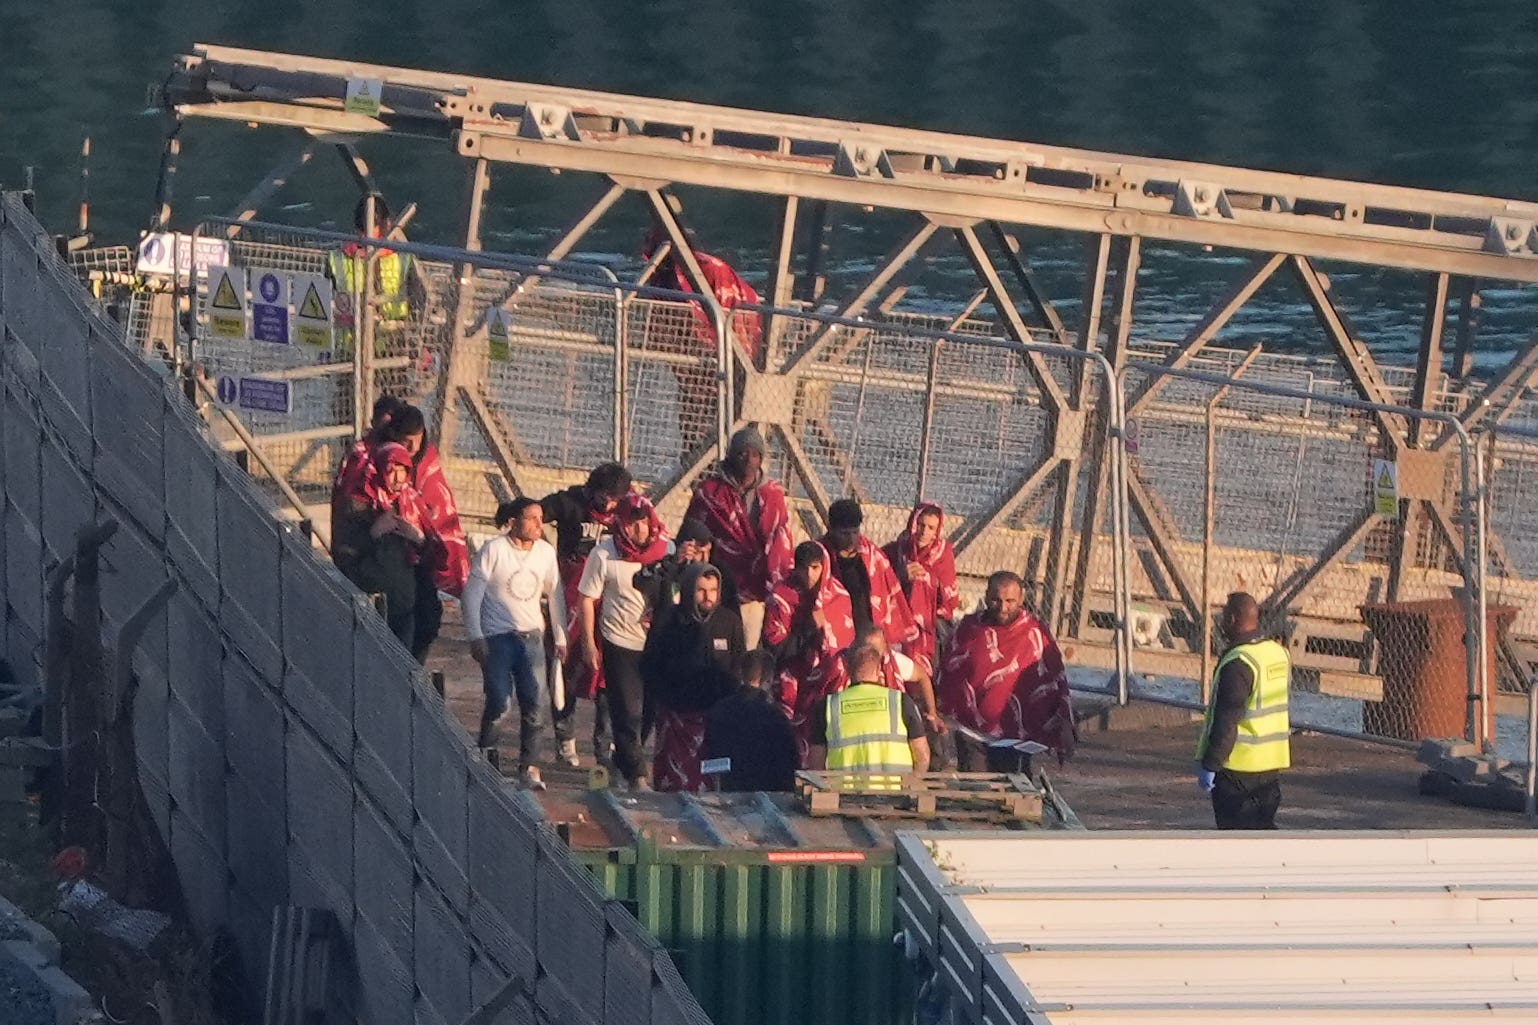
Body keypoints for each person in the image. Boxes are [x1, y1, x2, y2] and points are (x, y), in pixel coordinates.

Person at [462, 498, 567, 791]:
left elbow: (555, 594)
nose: (538, 525)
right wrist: (475, 636)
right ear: (514, 520)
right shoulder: (494, 550)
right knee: (500, 700)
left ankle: (529, 767)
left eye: (540, 519)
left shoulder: (545, 553)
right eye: (531, 518)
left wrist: (560, 637)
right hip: (498, 637)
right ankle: (485, 754)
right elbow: (471, 595)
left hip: (531, 635)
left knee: (535, 702)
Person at [578, 492, 673, 791]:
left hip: (655, 644)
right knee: (626, 709)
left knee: (649, 713)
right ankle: (638, 776)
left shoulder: (666, 550)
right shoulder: (604, 554)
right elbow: (587, 599)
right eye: (632, 524)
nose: (639, 530)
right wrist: (588, 644)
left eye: (643, 522)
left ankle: (623, 763)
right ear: (620, 524)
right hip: (618, 641)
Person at [643, 228, 765, 460]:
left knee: (721, 414)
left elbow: (698, 308)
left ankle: (711, 464)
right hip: (706, 350)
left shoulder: (704, 270)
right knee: (692, 412)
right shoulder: (672, 275)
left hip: (732, 349)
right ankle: (693, 462)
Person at [938, 571, 1076, 771]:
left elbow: (1056, 680)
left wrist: (1063, 723)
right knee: (975, 790)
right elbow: (949, 671)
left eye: (1010, 601)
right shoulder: (968, 628)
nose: (1003, 608)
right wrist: (941, 709)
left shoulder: (1034, 633)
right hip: (972, 731)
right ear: (986, 597)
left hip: (1017, 734)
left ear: (1021, 599)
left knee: (1012, 791)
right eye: (996, 600)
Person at [542, 462, 632, 766]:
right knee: (564, 663)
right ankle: (565, 738)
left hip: (608, 599)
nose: (608, 505)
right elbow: (536, 511)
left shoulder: (627, 514)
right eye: (604, 497)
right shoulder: (571, 503)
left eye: (614, 499)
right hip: (572, 596)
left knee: (606, 671)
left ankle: (603, 747)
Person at [683, 426, 792, 649]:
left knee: (746, 650)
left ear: (761, 459)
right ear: (731, 456)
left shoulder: (773, 494)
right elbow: (691, 533)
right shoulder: (710, 492)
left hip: (755, 589)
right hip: (717, 586)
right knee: (714, 649)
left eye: (754, 454)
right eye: (742, 453)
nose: (748, 460)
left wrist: (776, 587)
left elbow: (780, 542)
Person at [641, 563, 746, 792]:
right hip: (676, 718)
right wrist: (667, 697)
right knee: (672, 787)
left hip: (714, 718)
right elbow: (650, 664)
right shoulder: (670, 621)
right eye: (701, 590)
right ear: (689, 589)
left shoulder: (729, 621)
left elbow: (739, 663)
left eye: (713, 590)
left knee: (712, 785)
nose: (708, 597)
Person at [1195, 592, 1291, 830]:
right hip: (1271, 767)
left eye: (1225, 614)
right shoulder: (1278, 653)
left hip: (1238, 770)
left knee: (1236, 840)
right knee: (1263, 834)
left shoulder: (1239, 662)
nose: (1221, 621)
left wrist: (1211, 764)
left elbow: (1227, 720)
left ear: (1234, 619)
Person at [384, 405, 470, 663]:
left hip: (423, 554)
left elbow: (441, 512)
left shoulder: (428, 465)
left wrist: (423, 536)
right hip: (391, 557)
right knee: (399, 621)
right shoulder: (380, 461)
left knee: (428, 620)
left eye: (415, 441)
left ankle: (412, 672)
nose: (410, 449)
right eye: (405, 442)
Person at [763, 541, 856, 763]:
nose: (810, 574)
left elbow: (846, 645)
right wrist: (808, 627)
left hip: (828, 685)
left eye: (815, 568)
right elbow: (775, 648)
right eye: (804, 568)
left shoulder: (838, 596)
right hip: (792, 686)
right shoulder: (781, 598)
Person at [339, 442, 427, 650]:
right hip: (370, 600)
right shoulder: (359, 501)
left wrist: (418, 538)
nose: (397, 478)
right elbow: (345, 549)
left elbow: (436, 553)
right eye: (391, 471)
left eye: (402, 471)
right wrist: (374, 532)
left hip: (404, 601)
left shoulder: (411, 503)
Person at [808, 643, 930, 790]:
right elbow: (922, 756)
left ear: (847, 668)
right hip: (895, 800)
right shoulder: (900, 702)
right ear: (879, 669)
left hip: (845, 800)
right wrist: (910, 788)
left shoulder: (827, 706)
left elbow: (816, 764)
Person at [822, 498, 919, 653]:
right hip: (834, 637)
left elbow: (887, 587)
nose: (851, 539)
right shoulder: (821, 557)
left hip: (867, 634)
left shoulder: (872, 556)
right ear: (831, 529)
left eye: (855, 532)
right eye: (845, 533)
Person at [700, 651, 800, 792]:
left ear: (740, 673)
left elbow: (709, 757)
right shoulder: (776, 717)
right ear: (769, 679)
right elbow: (789, 765)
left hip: (728, 793)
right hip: (767, 796)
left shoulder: (719, 710)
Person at [330, 394, 405, 576]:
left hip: (353, 538)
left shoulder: (370, 452)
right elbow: (351, 503)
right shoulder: (363, 457)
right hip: (354, 545)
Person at [329, 194, 413, 355]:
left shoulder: (337, 257)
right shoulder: (403, 258)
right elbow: (418, 301)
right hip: (393, 347)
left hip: (350, 349)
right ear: (388, 223)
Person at [856, 624, 949, 765]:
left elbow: (922, 676)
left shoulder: (894, 662)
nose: (873, 656)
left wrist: (932, 712)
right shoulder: (846, 667)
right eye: (869, 652)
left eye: (877, 652)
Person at [883, 502, 959, 675]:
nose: (924, 532)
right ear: (912, 523)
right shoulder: (896, 550)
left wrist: (926, 581)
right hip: (897, 612)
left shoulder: (943, 554)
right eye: (921, 525)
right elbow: (879, 579)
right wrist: (900, 577)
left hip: (931, 619)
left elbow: (950, 598)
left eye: (931, 528)